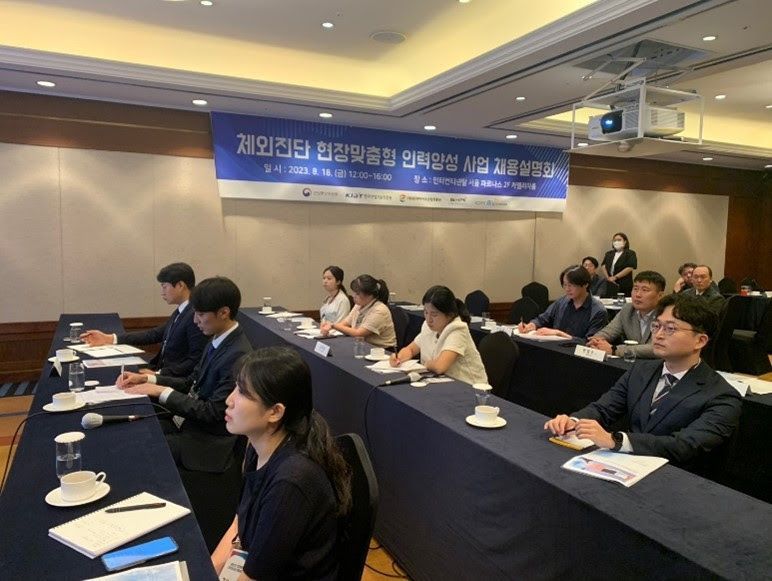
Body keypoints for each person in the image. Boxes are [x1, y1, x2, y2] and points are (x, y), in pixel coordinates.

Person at [544, 294, 742, 466]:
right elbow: (604, 408)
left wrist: (616, 440)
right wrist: (574, 421)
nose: (658, 335)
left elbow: (684, 445)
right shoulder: (640, 370)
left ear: (700, 340)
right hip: (626, 466)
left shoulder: (721, 396)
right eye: (656, 326)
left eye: (670, 329)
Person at [211, 346, 351, 580]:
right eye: (235, 387)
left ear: (275, 412)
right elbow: (239, 522)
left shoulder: (291, 481)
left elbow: (255, 576)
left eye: (243, 392)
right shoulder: (257, 446)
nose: (229, 400)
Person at [117, 276, 253, 474]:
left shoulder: (237, 354)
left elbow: (212, 412)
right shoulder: (217, 339)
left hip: (208, 442)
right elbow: (191, 381)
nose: (195, 320)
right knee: (135, 429)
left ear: (224, 312)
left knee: (141, 448)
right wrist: (148, 379)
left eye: (200, 314)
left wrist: (161, 391)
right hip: (189, 423)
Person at [80, 262, 207, 377]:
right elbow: (153, 335)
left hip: (172, 378)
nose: (162, 292)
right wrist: (109, 338)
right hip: (161, 371)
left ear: (180, 285)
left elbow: (195, 360)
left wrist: (158, 374)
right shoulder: (181, 311)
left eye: (164, 287)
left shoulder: (194, 316)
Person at [390, 285, 488, 385]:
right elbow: (411, 349)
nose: (429, 319)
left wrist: (426, 364)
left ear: (449, 314)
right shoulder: (428, 327)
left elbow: (439, 367)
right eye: (426, 312)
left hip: (471, 387)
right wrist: (399, 358)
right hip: (445, 383)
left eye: (434, 314)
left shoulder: (458, 330)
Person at [587, 271, 666, 359]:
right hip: (632, 362)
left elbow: (655, 347)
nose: (638, 294)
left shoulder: (665, 315)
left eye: (645, 290)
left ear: (660, 295)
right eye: (635, 289)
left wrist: (615, 350)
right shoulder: (628, 309)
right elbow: (609, 331)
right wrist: (596, 341)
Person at [518, 266, 608, 340]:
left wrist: (559, 334)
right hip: (554, 348)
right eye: (565, 285)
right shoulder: (562, 301)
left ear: (585, 284)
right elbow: (543, 318)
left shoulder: (598, 311)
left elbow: (590, 342)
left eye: (571, 285)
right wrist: (532, 325)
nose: (567, 289)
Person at [320, 274, 396, 348]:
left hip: (382, 351)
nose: (353, 295)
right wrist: (329, 326)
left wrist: (333, 325)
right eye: (354, 292)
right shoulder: (359, 305)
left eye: (357, 293)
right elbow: (345, 323)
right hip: (362, 346)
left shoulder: (379, 310)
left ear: (369, 295)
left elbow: (359, 333)